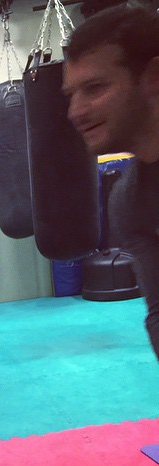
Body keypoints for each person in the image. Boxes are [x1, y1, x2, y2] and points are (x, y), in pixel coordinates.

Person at [63, 4, 159, 357]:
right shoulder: (129, 201)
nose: (75, 111)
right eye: (71, 95)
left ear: (153, 78)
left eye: (94, 88)